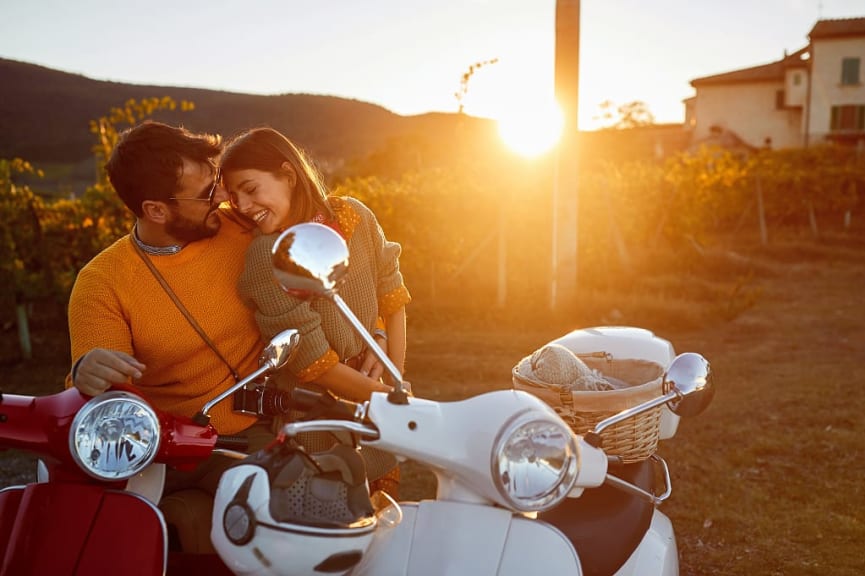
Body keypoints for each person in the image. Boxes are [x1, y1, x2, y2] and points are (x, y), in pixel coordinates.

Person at [66, 120, 272, 554]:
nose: (221, 197)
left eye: (215, 180)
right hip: (165, 452)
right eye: (205, 193)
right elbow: (106, 402)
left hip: (253, 433)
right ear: (155, 210)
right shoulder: (101, 282)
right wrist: (86, 373)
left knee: (277, 515)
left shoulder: (244, 227)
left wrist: (380, 324)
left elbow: (332, 225)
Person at [220, 126, 411, 496]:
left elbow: (392, 294)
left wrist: (393, 371)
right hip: (317, 421)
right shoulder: (269, 255)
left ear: (288, 175)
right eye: (234, 196)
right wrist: (390, 402)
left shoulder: (356, 217)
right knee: (332, 522)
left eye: (250, 188)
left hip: (379, 408)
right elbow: (312, 361)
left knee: (386, 530)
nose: (242, 206)